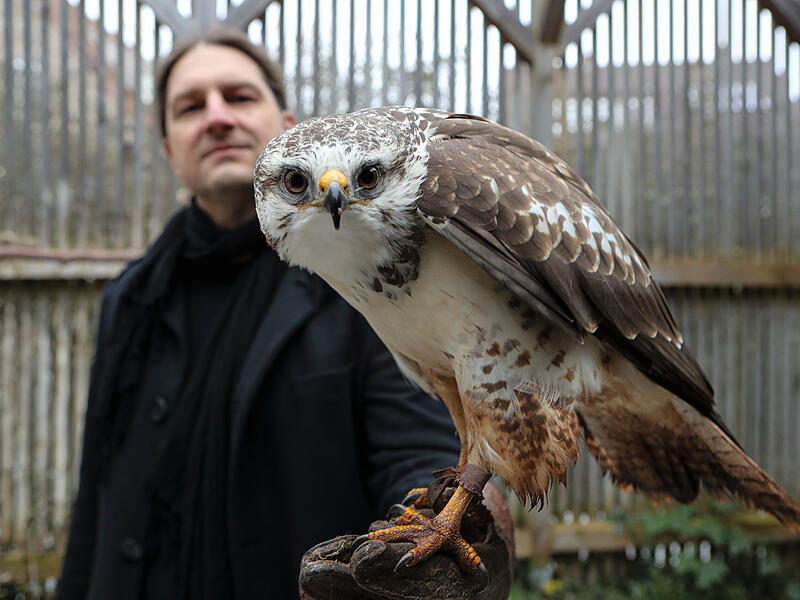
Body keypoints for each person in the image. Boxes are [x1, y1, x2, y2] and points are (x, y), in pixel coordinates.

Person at [56, 28, 511, 600]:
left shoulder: (367, 283)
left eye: (239, 96)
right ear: (169, 149)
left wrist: (463, 530)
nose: (217, 117)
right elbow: (96, 489)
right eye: (191, 106)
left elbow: (421, 450)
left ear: (290, 128)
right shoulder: (129, 297)